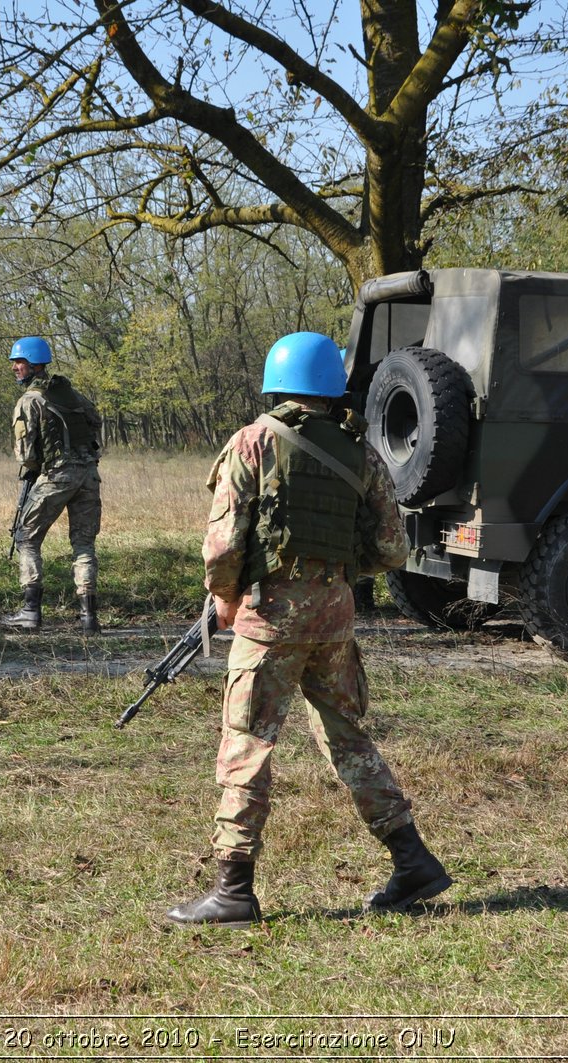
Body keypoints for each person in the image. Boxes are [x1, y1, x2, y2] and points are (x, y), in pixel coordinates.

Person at [165, 331, 452, 928]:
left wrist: (223, 600)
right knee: (347, 740)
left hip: (269, 620)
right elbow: (393, 548)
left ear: (277, 382)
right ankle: (413, 861)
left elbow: (222, 549)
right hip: (335, 617)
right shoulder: (360, 451)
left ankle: (233, 890)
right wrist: (336, 577)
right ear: (331, 389)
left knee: (246, 744)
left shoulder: (252, 444)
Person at [0, 336, 104, 634]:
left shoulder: (29, 401)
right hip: (88, 473)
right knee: (84, 544)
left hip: (57, 475)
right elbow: (94, 420)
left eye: (18, 362)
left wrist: (39, 468)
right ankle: (88, 619)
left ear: (33, 364)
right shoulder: (69, 393)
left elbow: (26, 455)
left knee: (26, 537)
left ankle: (30, 612)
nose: (14, 368)